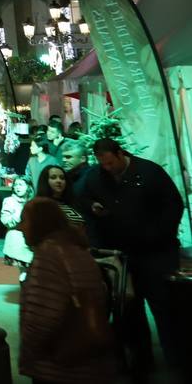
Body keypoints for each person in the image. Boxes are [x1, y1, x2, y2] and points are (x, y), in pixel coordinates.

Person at [86, 138, 184, 375]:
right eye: (102, 164)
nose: (107, 168)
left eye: (110, 163)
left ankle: (177, 363)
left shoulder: (149, 172)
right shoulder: (97, 177)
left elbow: (174, 206)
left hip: (156, 254)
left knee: (165, 309)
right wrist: (93, 207)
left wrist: (155, 236)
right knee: (130, 312)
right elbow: (83, 197)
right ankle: (141, 362)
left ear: (120, 154)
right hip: (123, 257)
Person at [18, 197, 116, 384]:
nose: (21, 227)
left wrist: (30, 352)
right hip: (88, 361)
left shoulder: (48, 256)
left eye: (25, 220)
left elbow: (41, 316)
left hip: (58, 365)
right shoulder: (76, 249)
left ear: (40, 223)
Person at [0, 177, 36, 272]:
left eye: (21, 185)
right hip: (17, 240)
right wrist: (19, 214)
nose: (17, 187)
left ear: (28, 187)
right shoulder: (9, 201)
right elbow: (5, 220)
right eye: (16, 185)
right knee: (24, 272)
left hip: (32, 240)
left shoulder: (33, 201)